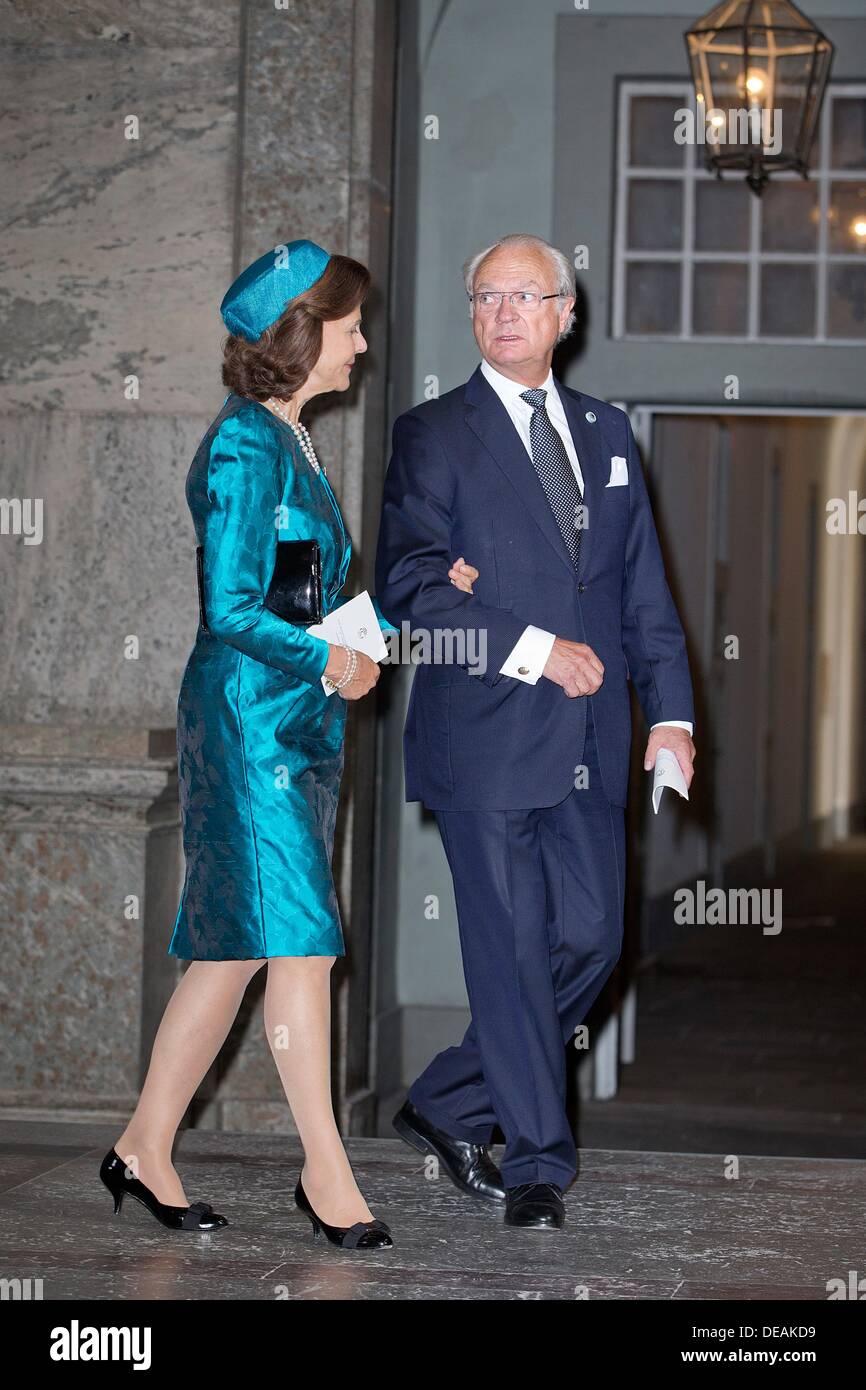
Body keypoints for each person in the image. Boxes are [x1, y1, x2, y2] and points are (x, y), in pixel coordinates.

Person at [99, 238, 478, 1250]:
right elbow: (228, 606)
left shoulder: (289, 437)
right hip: (248, 723)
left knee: (228, 955)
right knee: (303, 942)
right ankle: (327, 1170)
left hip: (294, 726)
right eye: (350, 325)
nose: (361, 342)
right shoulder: (243, 446)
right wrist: (326, 661)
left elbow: (299, 590)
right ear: (303, 334)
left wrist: (366, 635)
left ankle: (143, 1145)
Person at [375, 232, 696, 1230]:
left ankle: (444, 1100)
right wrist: (529, 646)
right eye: (484, 296)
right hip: (484, 737)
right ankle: (535, 1164)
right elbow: (411, 587)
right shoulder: (433, 433)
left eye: (523, 295)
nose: (501, 312)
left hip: (596, 736)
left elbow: (641, 586)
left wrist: (672, 713)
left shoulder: (605, 431)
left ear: (565, 313)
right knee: (511, 949)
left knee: (592, 940)